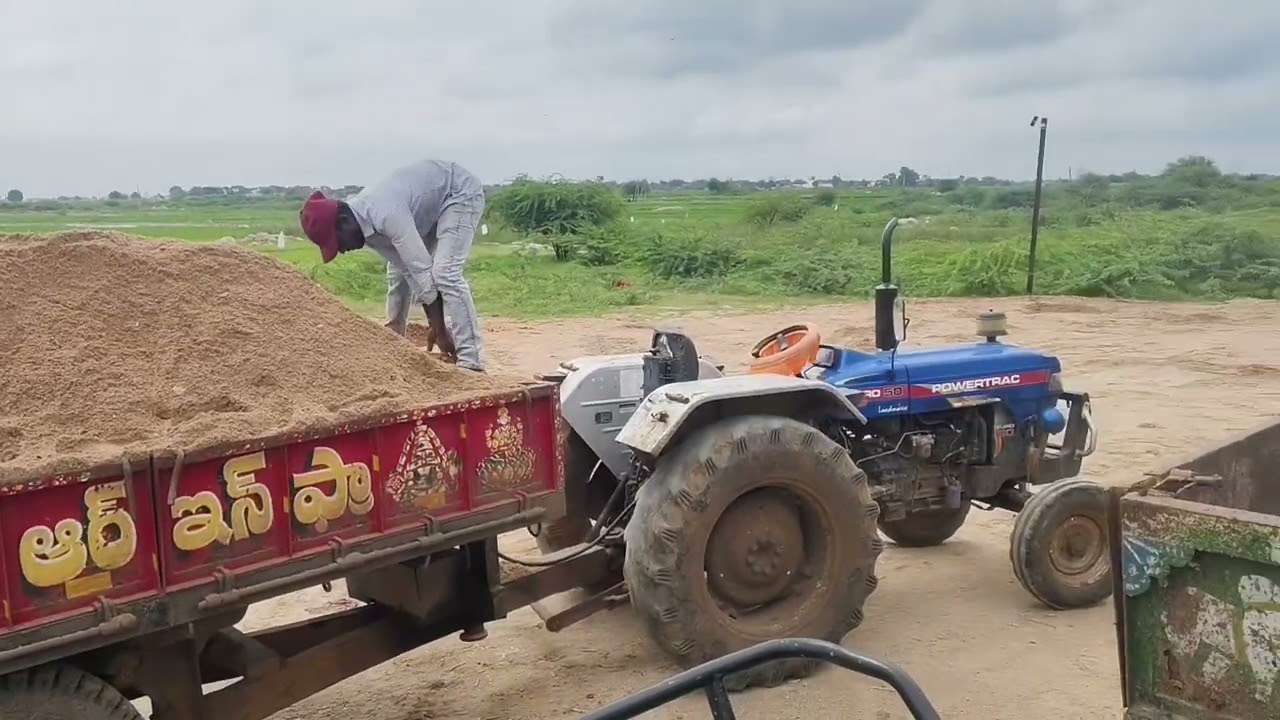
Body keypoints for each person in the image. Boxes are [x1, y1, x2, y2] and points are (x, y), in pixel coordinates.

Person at [298, 159, 487, 372]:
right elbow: (409, 270)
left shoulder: (384, 212)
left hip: (457, 193)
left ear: (344, 220)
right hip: (426, 210)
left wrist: (440, 330)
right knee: (397, 273)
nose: (341, 250)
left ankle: (472, 362)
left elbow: (421, 270)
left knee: (445, 272)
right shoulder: (367, 231)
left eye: (338, 242)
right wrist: (436, 325)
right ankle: (393, 344)